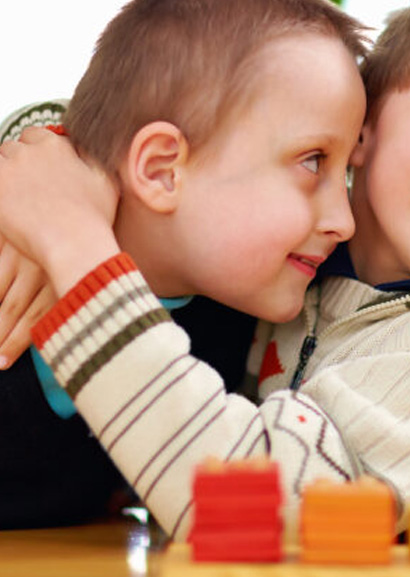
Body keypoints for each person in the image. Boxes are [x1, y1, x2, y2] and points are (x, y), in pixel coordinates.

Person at [0, 0, 410, 540]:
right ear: (365, 127)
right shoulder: (289, 263)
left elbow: (244, 508)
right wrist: (54, 158)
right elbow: (172, 108)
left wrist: (69, 235)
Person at [0, 0, 367, 531]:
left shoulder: (238, 320)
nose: (344, 220)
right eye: (313, 161)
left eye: (347, 172)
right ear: (162, 170)